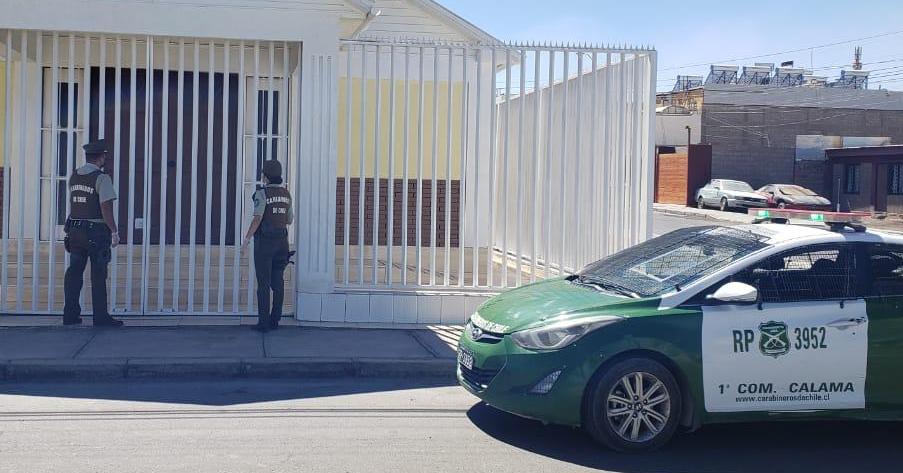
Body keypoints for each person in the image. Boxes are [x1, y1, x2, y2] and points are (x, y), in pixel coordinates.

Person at [62, 139, 123, 327]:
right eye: (105, 155)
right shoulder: (102, 178)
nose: (105, 158)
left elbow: (76, 204)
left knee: (74, 274)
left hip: (75, 231)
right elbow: (105, 207)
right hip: (95, 233)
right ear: (101, 157)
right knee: (98, 275)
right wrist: (114, 231)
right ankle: (101, 317)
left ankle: (70, 315)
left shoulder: (74, 176)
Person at [242, 160, 292, 332]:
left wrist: (247, 239)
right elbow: (289, 219)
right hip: (282, 243)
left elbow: (257, 218)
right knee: (278, 283)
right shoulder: (286, 194)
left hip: (265, 244)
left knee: (263, 284)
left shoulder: (261, 193)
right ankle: (275, 320)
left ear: (266, 176)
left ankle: (263, 324)